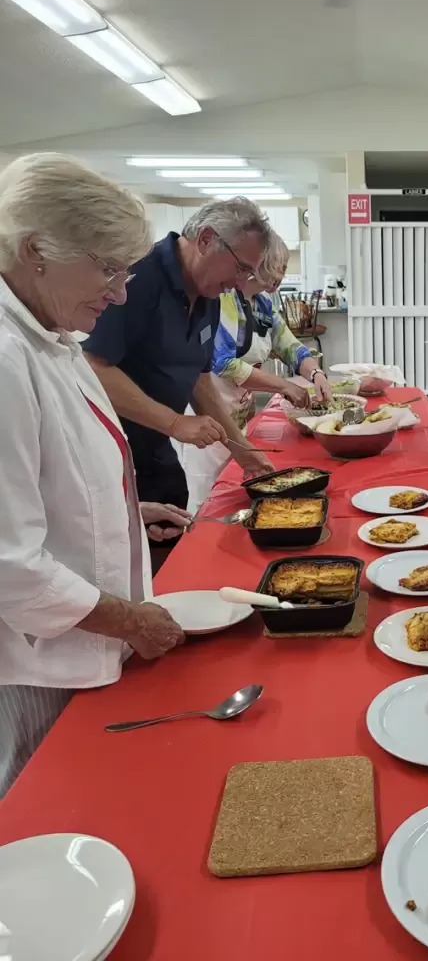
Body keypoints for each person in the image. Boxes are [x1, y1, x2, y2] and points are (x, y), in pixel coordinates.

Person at [0, 153, 187, 798]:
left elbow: (47, 487)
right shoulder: (4, 355)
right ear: (34, 251)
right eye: (108, 269)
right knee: (46, 805)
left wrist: (126, 514)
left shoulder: (53, 335)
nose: (121, 292)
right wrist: (131, 621)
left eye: (127, 271)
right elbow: (8, 564)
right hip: (36, 665)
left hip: (79, 647)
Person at [83, 199, 275, 564]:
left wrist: (241, 448)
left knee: (177, 551)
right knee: (129, 566)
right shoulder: (139, 277)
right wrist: (175, 422)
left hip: (157, 454)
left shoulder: (208, 293)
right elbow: (94, 367)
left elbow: (199, 379)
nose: (239, 283)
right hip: (111, 457)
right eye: (239, 268)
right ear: (205, 240)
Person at [181, 232, 333, 510]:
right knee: (209, 499)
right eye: (275, 270)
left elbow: (291, 347)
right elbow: (223, 362)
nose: (279, 279)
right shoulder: (222, 300)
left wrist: (316, 374)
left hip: (239, 416)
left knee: (239, 492)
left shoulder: (263, 305)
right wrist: (284, 386)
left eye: (283, 271)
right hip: (207, 418)